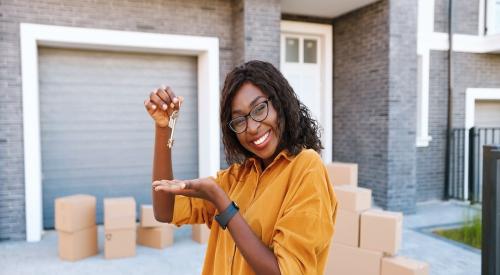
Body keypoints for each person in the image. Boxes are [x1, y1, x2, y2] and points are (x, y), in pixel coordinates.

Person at [144, 60, 338, 275]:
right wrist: (164, 128)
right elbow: (165, 211)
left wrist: (223, 204)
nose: (252, 127)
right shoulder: (238, 177)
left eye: (259, 109)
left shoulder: (307, 168)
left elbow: (283, 271)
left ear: (280, 104)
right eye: (239, 121)